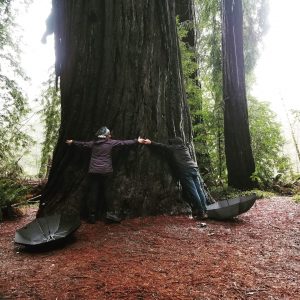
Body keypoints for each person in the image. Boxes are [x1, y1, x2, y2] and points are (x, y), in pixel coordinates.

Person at [66, 126, 144, 223]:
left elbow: (83, 144)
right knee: (108, 192)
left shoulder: (93, 144)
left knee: (93, 192)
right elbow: (124, 143)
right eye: (109, 135)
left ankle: (92, 216)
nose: (110, 136)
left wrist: (72, 142)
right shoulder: (110, 143)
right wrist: (137, 140)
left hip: (94, 172)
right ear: (106, 136)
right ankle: (110, 214)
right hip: (106, 172)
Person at [143, 137, 209, 219]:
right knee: (199, 190)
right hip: (194, 168)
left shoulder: (174, 148)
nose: (171, 144)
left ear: (176, 144)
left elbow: (162, 146)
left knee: (193, 191)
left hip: (186, 170)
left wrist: (150, 142)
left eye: (172, 143)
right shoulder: (185, 148)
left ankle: (201, 212)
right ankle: (205, 210)